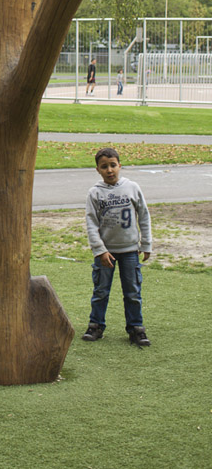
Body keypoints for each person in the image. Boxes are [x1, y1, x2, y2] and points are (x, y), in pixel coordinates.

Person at [82, 147, 152, 347]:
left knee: (132, 291)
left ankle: (136, 328)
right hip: (106, 253)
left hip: (130, 251)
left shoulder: (132, 187)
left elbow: (144, 216)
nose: (109, 170)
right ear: (98, 169)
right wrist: (100, 250)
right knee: (101, 291)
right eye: (104, 167)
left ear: (120, 165)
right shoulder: (95, 193)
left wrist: (146, 244)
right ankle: (96, 326)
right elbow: (91, 223)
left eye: (113, 165)